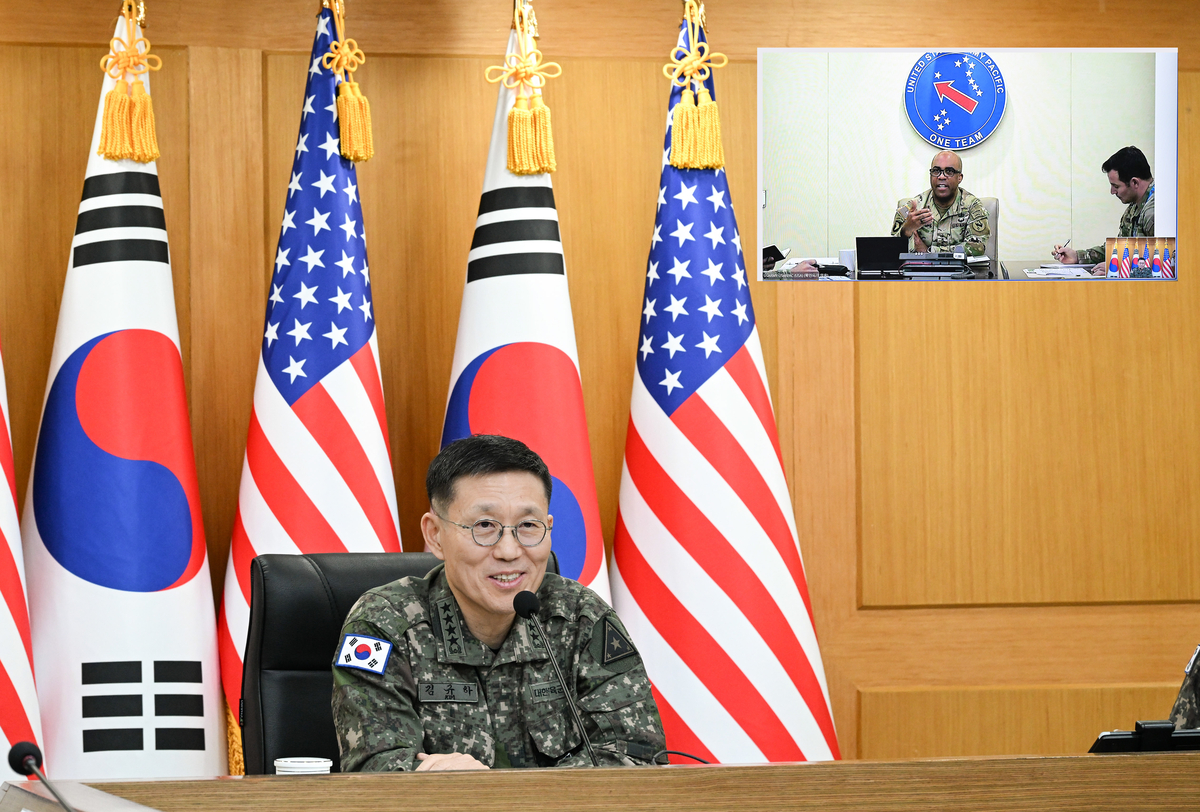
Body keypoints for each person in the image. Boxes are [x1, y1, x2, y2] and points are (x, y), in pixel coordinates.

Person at [332, 434, 665, 771]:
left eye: (528, 526)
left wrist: (495, 796)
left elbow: (636, 754)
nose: (509, 551)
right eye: (485, 526)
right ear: (435, 534)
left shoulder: (579, 617)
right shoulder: (384, 623)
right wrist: (433, 782)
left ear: (548, 530)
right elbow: (374, 768)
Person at [1052, 146, 1155, 277]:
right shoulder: (1135, 207)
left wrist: (1117, 268)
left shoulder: (1155, 211)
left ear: (1134, 182)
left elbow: (1167, 263)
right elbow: (1120, 250)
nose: (1112, 192)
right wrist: (1077, 256)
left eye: (1116, 186)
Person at [891, 150, 991, 257]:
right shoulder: (913, 208)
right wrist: (906, 231)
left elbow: (977, 247)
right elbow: (891, 249)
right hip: (920, 270)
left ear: (959, 178)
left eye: (949, 171)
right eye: (936, 171)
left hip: (961, 271)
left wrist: (930, 252)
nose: (941, 176)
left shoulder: (972, 206)